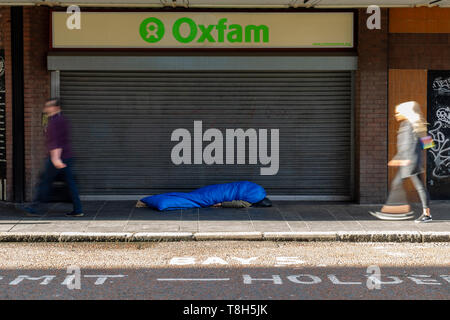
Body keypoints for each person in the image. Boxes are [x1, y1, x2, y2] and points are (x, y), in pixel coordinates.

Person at [372, 101, 431, 223]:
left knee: (401, 185)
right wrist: (399, 158)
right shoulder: (415, 124)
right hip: (410, 161)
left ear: (406, 112)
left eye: (398, 112)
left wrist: (407, 159)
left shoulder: (410, 125)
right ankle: (416, 212)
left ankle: (398, 210)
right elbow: (427, 144)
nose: (396, 115)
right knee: (416, 187)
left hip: (410, 162)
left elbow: (410, 145)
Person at [24, 98, 83, 217]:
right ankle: (78, 209)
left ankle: (35, 207)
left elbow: (56, 142)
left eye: (48, 106)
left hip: (56, 158)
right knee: (70, 184)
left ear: (55, 107)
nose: (46, 109)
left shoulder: (54, 122)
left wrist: (56, 159)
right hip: (67, 156)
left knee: (44, 182)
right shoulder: (63, 119)